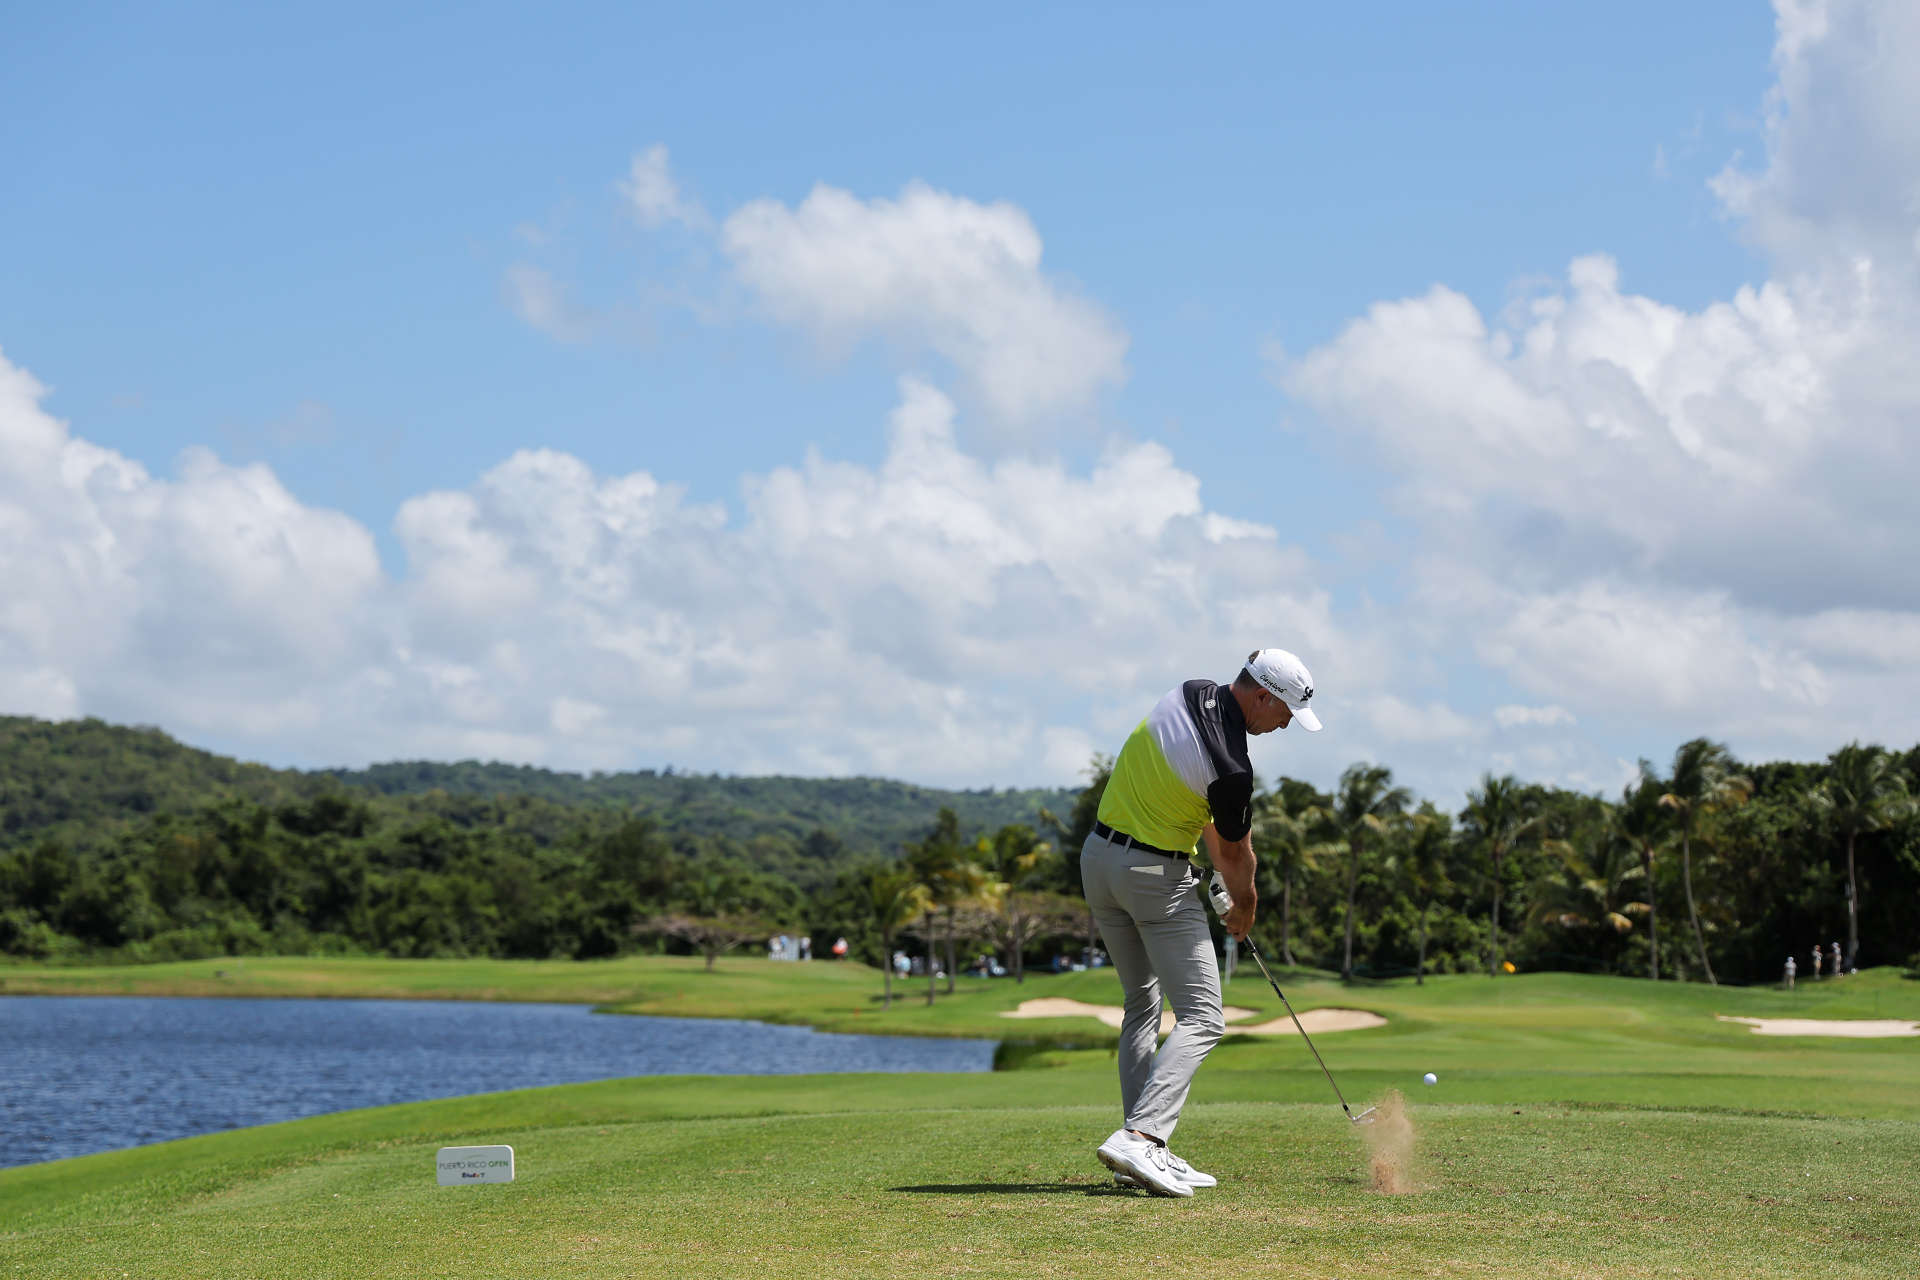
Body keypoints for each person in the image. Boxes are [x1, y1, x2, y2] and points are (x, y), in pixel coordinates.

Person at [1082, 647, 1321, 1197]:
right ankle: (1142, 1136)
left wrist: (1221, 875)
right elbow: (1237, 856)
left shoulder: (1192, 692)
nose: (1282, 724)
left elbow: (1204, 816)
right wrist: (1246, 906)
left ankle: (1140, 1149)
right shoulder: (1234, 768)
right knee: (1204, 1017)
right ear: (1263, 695)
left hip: (1099, 861)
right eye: (1284, 712)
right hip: (1151, 877)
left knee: (1141, 1004)